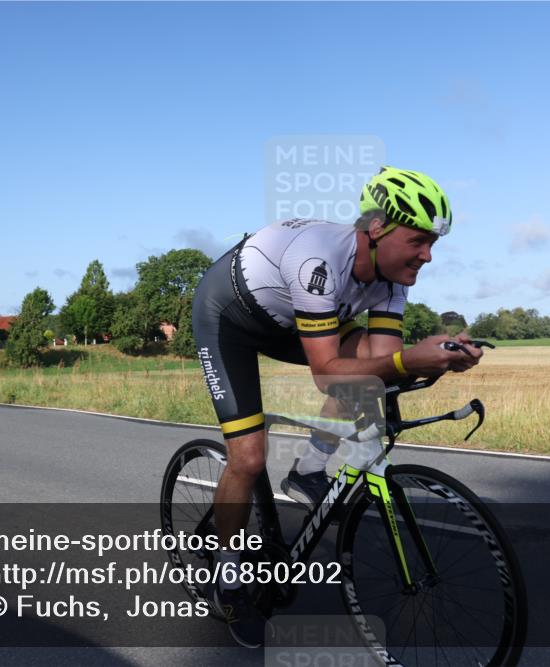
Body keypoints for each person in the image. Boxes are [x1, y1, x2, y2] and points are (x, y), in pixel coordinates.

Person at [191, 166, 483, 647]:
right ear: (377, 229)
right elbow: (327, 374)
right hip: (229, 319)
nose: (428, 256)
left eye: (433, 244)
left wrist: (439, 359)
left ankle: (310, 467)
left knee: (372, 363)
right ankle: (226, 575)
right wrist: (409, 358)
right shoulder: (318, 260)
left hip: (291, 321)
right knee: (247, 457)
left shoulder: (393, 279)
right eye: (418, 241)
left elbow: (383, 363)